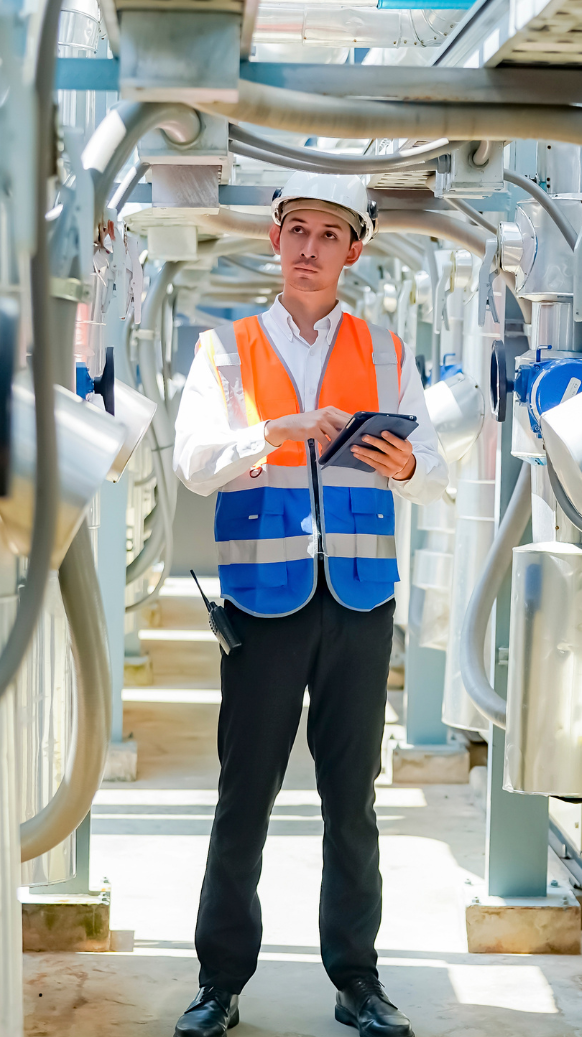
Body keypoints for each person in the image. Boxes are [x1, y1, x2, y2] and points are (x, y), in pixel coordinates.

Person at [170, 172, 448, 1037]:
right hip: (262, 600)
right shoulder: (226, 350)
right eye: (297, 230)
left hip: (359, 601)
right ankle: (219, 984)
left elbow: (435, 471)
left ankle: (356, 980)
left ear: (354, 251)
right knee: (242, 793)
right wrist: (272, 435)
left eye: (329, 235)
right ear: (273, 239)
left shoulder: (388, 351)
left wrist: (405, 465)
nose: (309, 249)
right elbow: (194, 464)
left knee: (350, 799)